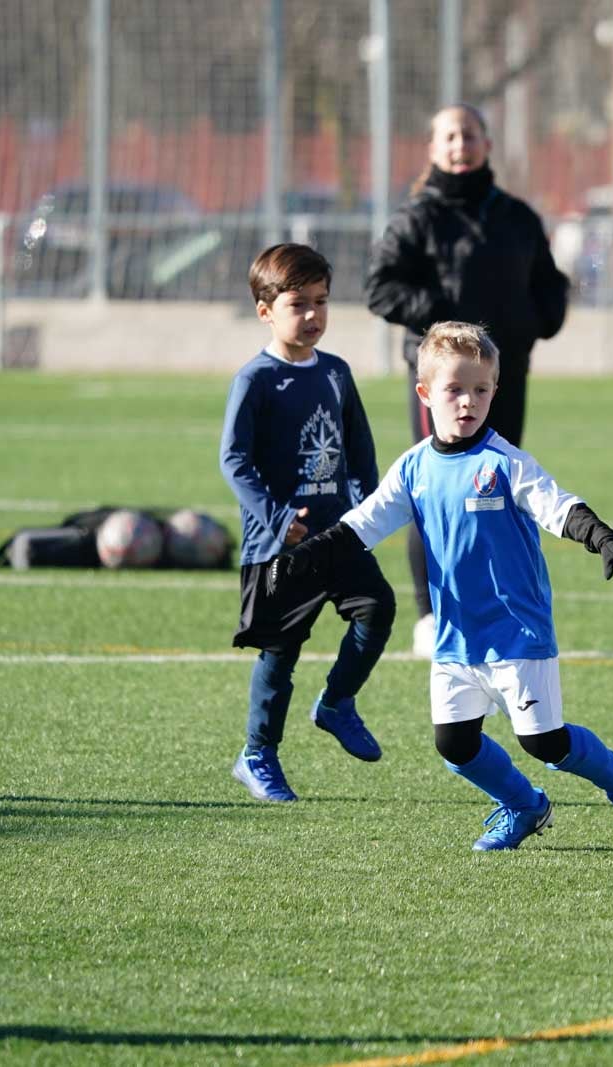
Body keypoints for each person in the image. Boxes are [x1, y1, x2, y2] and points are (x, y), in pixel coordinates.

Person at [269, 322, 613, 853]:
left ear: (494, 392)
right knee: (454, 744)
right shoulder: (414, 468)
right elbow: (361, 525)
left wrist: (605, 540)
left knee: (543, 742)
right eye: (454, 389)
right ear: (425, 393)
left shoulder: (505, 462)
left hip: (517, 630)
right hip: (456, 635)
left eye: (481, 390)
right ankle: (525, 806)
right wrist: (304, 558)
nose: (468, 402)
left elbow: (558, 506)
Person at [364, 103, 570, 660]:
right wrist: (441, 318)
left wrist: (532, 324)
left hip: (503, 377)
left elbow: (550, 286)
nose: (462, 144)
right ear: (433, 149)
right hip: (444, 380)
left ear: (487, 143)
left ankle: (497, 606)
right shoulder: (416, 218)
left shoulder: (517, 216)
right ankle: (432, 615)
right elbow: (380, 287)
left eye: (471, 134)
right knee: (434, 487)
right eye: (450, 136)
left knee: (499, 485)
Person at [219, 243, 395, 802]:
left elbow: (360, 452)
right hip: (280, 546)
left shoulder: (337, 373)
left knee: (378, 608)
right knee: (281, 651)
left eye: (322, 302)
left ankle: (338, 702)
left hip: (338, 535)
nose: (314, 315)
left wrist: (368, 511)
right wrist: (274, 518)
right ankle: (257, 755)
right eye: (300, 304)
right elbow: (235, 461)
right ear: (265, 309)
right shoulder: (256, 380)